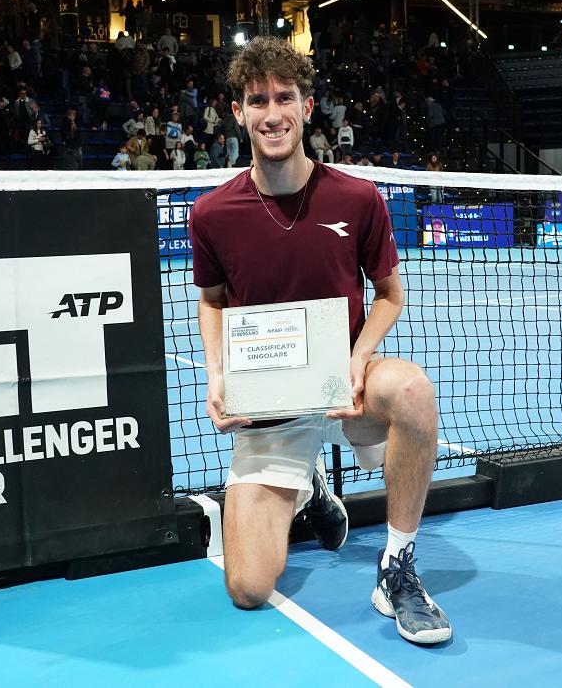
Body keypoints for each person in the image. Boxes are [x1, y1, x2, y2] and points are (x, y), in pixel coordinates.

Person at [189, 36, 451, 645]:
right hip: (271, 405)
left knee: (411, 390)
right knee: (249, 589)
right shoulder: (212, 213)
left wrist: (360, 360)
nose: (272, 113)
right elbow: (212, 300)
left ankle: (398, 569)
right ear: (239, 113)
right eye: (258, 101)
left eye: (286, 97)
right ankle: (310, 487)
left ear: (308, 107)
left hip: (347, 388)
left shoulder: (357, 199)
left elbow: (388, 294)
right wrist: (218, 373)